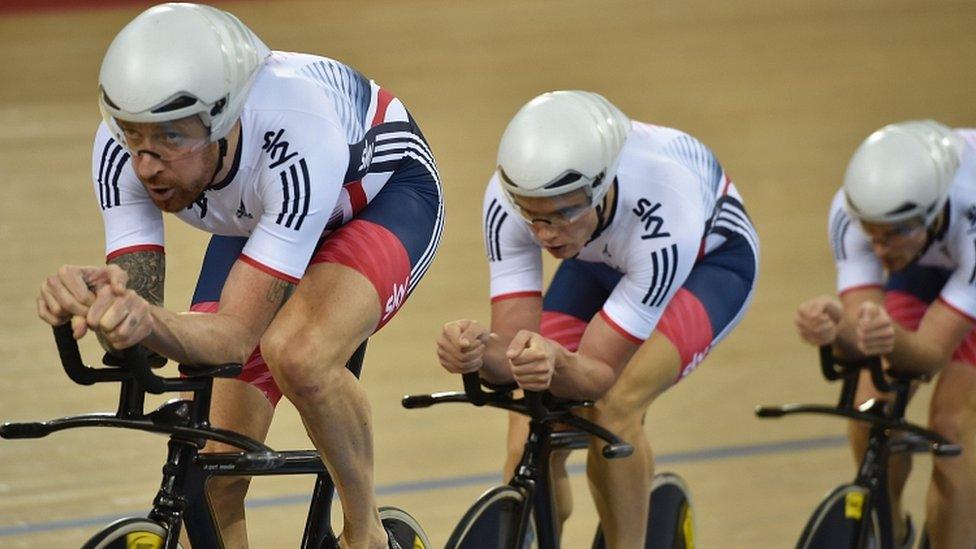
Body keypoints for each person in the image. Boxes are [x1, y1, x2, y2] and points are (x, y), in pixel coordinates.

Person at [35, 4, 442, 548]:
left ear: (222, 120)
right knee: (213, 469)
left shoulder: (296, 135)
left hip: (376, 198)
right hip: (263, 212)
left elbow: (231, 336)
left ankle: (366, 534)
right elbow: (142, 326)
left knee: (298, 353)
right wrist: (100, 306)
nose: (147, 164)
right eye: (134, 136)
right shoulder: (121, 150)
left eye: (172, 139)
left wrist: (142, 319)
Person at [436, 90, 759, 547]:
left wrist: (559, 364)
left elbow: (598, 376)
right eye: (534, 218)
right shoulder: (510, 201)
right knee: (530, 420)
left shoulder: (666, 215)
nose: (546, 234)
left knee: (614, 408)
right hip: (600, 256)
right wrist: (474, 351)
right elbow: (511, 352)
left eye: (562, 215)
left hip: (707, 266)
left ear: (602, 187)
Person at [795, 120, 976, 548]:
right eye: (870, 235)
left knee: (953, 428)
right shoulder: (854, 212)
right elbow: (865, 339)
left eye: (892, 235)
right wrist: (835, 326)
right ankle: (890, 528)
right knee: (870, 406)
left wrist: (889, 337)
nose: (879, 251)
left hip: (968, 260)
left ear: (931, 215)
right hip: (931, 261)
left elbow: (930, 354)